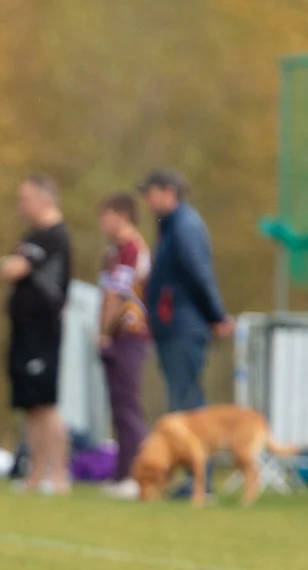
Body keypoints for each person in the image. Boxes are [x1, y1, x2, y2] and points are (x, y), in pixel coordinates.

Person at [0, 173, 72, 494]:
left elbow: (14, 268)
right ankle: (35, 473)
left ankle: (59, 475)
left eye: (26, 198)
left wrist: (13, 264)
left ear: (45, 198)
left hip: (43, 331)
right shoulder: (34, 236)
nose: (21, 206)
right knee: (30, 404)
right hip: (24, 331)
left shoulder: (55, 236)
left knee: (46, 404)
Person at [139, 169, 231, 413]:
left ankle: (198, 453)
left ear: (169, 192)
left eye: (150, 193)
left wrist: (217, 316)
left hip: (183, 326)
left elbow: (199, 275)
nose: (146, 200)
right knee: (181, 402)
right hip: (174, 327)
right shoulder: (171, 226)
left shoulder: (184, 226)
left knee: (188, 406)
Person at [95, 192, 152, 499]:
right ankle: (120, 474)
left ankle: (136, 475)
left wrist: (103, 331)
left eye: (107, 214)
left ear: (123, 215)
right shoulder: (113, 251)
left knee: (128, 406)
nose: (102, 222)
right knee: (117, 406)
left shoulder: (132, 249)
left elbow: (118, 294)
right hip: (114, 335)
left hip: (129, 334)